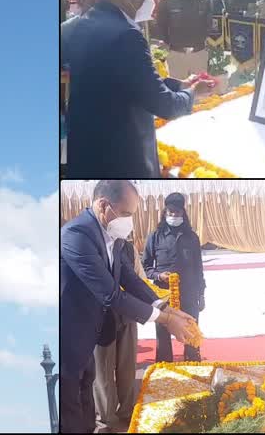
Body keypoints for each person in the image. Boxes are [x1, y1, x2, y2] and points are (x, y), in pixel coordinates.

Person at [60, 181, 196, 433]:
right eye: (126, 214)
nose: (129, 222)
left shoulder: (113, 236)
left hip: (89, 335)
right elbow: (111, 295)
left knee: (84, 395)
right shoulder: (77, 235)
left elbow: (127, 277)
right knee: (70, 404)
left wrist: (165, 307)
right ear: (103, 205)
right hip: (70, 335)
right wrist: (165, 320)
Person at [61, 0, 213, 178]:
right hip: (122, 160)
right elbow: (164, 106)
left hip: (86, 153)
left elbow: (122, 82)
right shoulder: (127, 34)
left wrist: (177, 84)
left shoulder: (79, 25)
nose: (147, 3)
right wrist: (193, 94)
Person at [142, 192, 205, 363]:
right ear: (164, 212)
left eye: (177, 212)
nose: (173, 215)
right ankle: (164, 365)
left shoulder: (191, 238)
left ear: (183, 213)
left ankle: (193, 363)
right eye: (170, 212)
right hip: (163, 294)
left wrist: (201, 294)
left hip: (189, 293)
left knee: (191, 329)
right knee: (163, 331)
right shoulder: (155, 237)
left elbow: (198, 268)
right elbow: (145, 266)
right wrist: (158, 275)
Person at [93, 231, 145, 433]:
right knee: (103, 371)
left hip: (127, 314)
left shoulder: (128, 248)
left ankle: (127, 412)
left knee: (127, 366)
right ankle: (105, 421)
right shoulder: (92, 245)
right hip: (102, 316)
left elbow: (138, 279)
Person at [156, 0, 212, 80]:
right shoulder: (166, 2)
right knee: (179, 93)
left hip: (199, 54)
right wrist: (168, 45)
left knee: (201, 94)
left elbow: (209, 26)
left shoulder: (205, 0)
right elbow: (161, 27)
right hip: (176, 55)